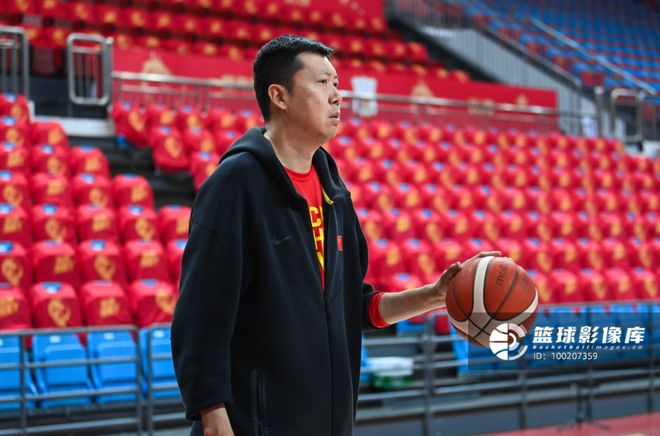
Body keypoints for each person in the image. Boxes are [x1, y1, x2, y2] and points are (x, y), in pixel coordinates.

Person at [171, 34, 500, 436]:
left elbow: (354, 306)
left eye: (337, 84)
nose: (336, 96)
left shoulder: (333, 190)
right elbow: (200, 316)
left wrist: (433, 295)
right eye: (322, 82)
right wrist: (212, 416)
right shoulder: (235, 184)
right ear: (279, 96)